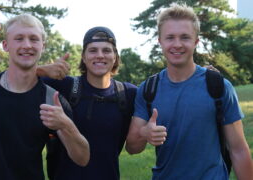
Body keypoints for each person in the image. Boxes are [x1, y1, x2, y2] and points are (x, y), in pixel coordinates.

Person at [0, 14, 89, 180]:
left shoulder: (53, 101)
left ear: (43, 46)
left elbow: (82, 158)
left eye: (34, 39)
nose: (27, 45)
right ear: (5, 45)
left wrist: (66, 125)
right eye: (19, 38)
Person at [125, 3, 253, 180]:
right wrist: (145, 133)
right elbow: (132, 148)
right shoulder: (148, 89)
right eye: (170, 37)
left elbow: (238, 150)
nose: (177, 44)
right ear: (160, 41)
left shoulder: (219, 86)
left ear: (196, 41)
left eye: (185, 37)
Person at [37, 26, 137, 180]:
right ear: (83, 57)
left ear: (115, 56)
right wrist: (42, 70)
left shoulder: (129, 94)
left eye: (106, 50)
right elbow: (15, 78)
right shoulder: (64, 86)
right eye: (93, 50)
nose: (100, 55)